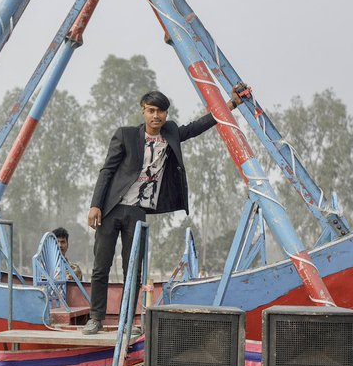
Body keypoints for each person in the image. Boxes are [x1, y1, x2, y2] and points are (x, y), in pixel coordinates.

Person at [82, 90, 242, 334]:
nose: (156, 116)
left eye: (161, 111)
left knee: (132, 269)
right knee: (100, 266)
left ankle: (127, 322)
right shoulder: (125, 135)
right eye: (151, 111)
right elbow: (106, 170)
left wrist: (231, 104)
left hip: (137, 212)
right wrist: (95, 204)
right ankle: (95, 318)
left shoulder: (171, 133)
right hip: (111, 208)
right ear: (143, 111)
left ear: (166, 113)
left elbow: (199, 125)